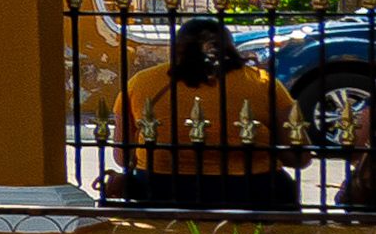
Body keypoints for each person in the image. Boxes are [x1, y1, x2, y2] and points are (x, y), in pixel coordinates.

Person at [106, 15, 303, 214]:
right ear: (230, 48)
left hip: (162, 190)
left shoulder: (142, 82)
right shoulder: (263, 83)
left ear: (176, 48)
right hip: (254, 191)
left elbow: (123, 156)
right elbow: (299, 158)